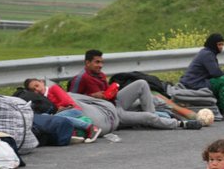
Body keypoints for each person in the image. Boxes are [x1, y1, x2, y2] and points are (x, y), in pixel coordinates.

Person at [69, 49, 200, 130]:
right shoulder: (81, 78)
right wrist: (92, 97)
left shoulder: (100, 75)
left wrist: (112, 90)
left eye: (101, 62)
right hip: (108, 112)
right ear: (87, 63)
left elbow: (107, 94)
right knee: (148, 117)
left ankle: (153, 117)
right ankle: (180, 124)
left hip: (114, 102)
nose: (100, 65)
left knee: (142, 83)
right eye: (97, 62)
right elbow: (71, 100)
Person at [179, 33, 224, 122]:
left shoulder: (207, 52)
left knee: (222, 79)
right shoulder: (208, 54)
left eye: (222, 44)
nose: (221, 47)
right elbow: (215, 72)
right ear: (213, 44)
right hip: (195, 83)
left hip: (194, 81)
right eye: (219, 44)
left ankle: (222, 107)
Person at [24, 78, 101, 142]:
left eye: (37, 85)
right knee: (45, 117)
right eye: (34, 90)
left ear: (42, 82)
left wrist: (57, 108)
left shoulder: (53, 88)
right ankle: (73, 133)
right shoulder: (41, 99)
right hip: (61, 113)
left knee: (56, 118)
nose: (37, 89)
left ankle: (90, 127)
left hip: (73, 109)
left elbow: (66, 101)